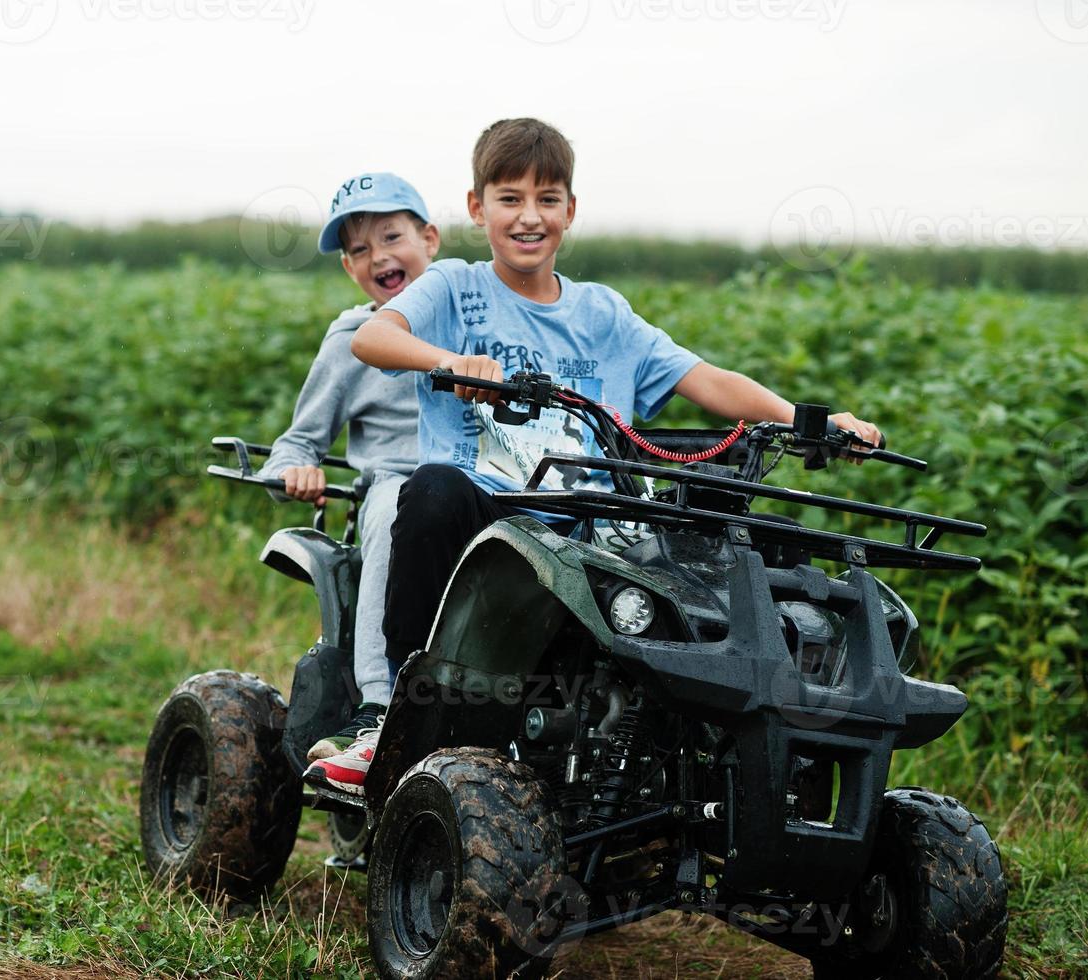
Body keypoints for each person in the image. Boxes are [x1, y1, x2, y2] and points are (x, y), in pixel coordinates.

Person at [303, 118, 881, 795]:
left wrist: (809, 420)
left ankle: (766, 757)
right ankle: (398, 714)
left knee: (741, 529)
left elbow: (708, 380)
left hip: (592, 517)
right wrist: (450, 360)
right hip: (489, 513)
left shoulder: (602, 314)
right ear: (475, 207)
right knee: (430, 489)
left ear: (569, 212)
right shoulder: (453, 289)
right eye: (509, 198)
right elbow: (375, 338)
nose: (528, 216)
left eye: (546, 199)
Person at [259, 171, 441, 761]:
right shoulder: (351, 339)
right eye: (359, 250)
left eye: (391, 238)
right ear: (348, 270)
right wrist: (296, 470)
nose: (378, 257)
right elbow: (298, 441)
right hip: (397, 483)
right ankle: (377, 705)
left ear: (430, 240)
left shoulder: (471, 318)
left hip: (484, 483)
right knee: (393, 511)